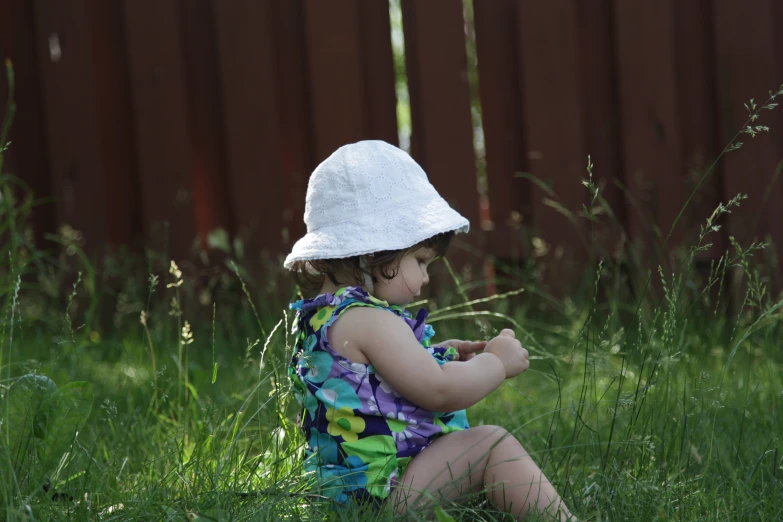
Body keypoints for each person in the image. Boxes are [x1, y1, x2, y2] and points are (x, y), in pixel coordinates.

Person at [285, 140, 573, 520]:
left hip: (346, 499)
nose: (424, 277)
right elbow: (440, 391)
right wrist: (496, 364)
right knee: (490, 445)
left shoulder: (324, 317)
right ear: (373, 252)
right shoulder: (372, 320)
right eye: (420, 261)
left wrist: (437, 354)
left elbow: (376, 387)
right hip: (382, 498)